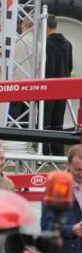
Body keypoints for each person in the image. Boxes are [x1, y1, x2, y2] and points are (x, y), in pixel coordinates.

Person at [42, 145, 82, 253]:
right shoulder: (57, 189)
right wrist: (72, 230)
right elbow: (47, 228)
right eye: (78, 170)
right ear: (67, 165)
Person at [45, 14, 74, 157]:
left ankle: (44, 152)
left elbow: (48, 67)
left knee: (46, 121)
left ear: (47, 26)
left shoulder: (47, 44)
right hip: (63, 86)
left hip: (49, 85)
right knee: (58, 122)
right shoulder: (68, 43)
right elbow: (69, 67)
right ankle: (58, 152)